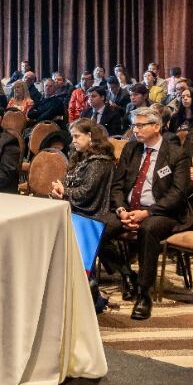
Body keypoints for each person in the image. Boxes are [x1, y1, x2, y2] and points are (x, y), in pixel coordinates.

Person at [112, 106, 193, 319]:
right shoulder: (131, 149)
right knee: (97, 223)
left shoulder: (176, 153)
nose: (135, 130)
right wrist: (121, 210)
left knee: (148, 230)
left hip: (162, 214)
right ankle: (125, 273)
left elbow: (178, 193)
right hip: (128, 210)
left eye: (140, 125)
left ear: (156, 126)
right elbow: (117, 185)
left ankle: (143, 293)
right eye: (134, 125)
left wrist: (146, 213)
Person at [50, 119, 127, 306]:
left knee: (70, 232)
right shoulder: (81, 156)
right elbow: (69, 182)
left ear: (90, 136)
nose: (73, 141)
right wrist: (61, 189)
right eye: (73, 136)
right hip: (79, 208)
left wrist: (64, 192)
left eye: (77, 136)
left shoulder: (100, 161)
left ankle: (88, 291)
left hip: (93, 211)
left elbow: (87, 192)